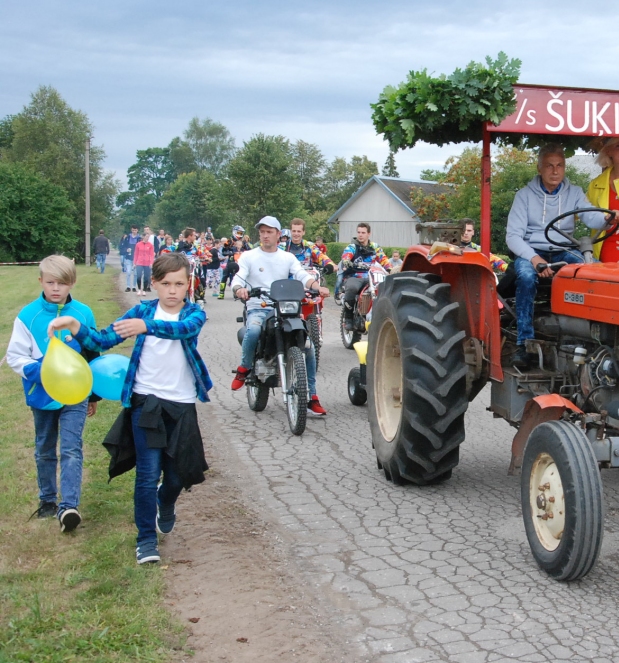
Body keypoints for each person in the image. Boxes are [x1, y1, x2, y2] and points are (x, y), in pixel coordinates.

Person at [50, 253, 213, 565]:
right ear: (154, 283)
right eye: (165, 284)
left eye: (179, 283)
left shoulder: (194, 313)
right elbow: (103, 338)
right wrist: (74, 325)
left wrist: (145, 326)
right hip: (145, 404)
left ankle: (165, 502)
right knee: (147, 474)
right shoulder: (141, 311)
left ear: (188, 284)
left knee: (178, 476)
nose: (172, 290)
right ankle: (146, 540)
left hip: (181, 406)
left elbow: (182, 331)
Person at [6, 255, 99, 532]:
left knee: (71, 448)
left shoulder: (83, 314)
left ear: (72, 283)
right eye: (50, 282)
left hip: (75, 396)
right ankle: (47, 499)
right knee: (45, 449)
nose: (56, 288)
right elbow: (15, 357)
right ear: (41, 282)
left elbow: (92, 354)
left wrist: (92, 394)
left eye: (62, 283)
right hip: (42, 395)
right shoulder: (27, 316)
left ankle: (68, 505)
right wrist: (45, 374)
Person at [506, 144, 619, 369]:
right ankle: (524, 343)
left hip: (563, 249)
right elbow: (513, 237)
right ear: (540, 168)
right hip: (533, 251)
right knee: (527, 277)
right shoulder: (525, 196)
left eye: (560, 165)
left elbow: (591, 217)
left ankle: (594, 338)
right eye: (549, 166)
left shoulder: (574, 193)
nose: (555, 171)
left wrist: (608, 220)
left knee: (595, 272)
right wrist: (535, 259)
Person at [231, 216, 331, 416]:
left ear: (278, 234)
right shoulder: (249, 256)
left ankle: (312, 396)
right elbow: (239, 277)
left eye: (269, 232)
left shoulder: (287, 258)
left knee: (309, 345)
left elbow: (302, 275)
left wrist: (317, 287)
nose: (265, 235)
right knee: (253, 330)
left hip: (284, 307)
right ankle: (244, 368)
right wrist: (239, 288)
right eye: (262, 232)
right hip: (258, 306)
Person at [338, 222, 391, 330]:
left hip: (371, 277)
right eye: (359, 232)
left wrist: (389, 268)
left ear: (369, 234)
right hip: (355, 276)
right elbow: (346, 255)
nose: (360, 235)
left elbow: (383, 259)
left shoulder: (375, 247)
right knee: (352, 288)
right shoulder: (353, 246)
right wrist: (347, 260)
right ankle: (348, 318)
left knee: (384, 289)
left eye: (363, 232)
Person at [120, 226, 141, 292]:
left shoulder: (139, 239)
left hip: (136, 258)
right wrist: (126, 250)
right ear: (131, 230)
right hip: (128, 257)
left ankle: (134, 286)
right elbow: (122, 247)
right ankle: (128, 286)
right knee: (128, 272)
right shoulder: (127, 238)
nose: (134, 231)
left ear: (137, 230)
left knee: (135, 273)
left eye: (135, 230)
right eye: (133, 230)